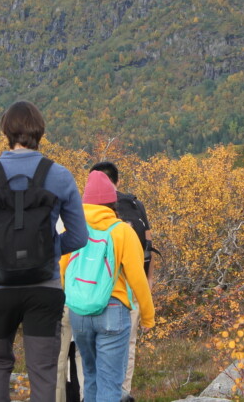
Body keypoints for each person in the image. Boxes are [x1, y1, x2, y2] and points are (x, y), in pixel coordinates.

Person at [0, 101, 88, 402]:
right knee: (43, 370)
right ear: (39, 131)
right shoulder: (59, 175)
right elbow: (80, 236)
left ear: (6, 130)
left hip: (0, 287)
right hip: (44, 288)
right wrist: (51, 251)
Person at [61, 170, 154, 402]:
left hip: (80, 311)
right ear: (113, 202)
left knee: (90, 375)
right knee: (111, 383)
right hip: (113, 310)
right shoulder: (122, 231)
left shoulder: (72, 228)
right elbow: (137, 278)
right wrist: (148, 315)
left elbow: (62, 271)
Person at [90, 161, 153, 402]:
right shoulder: (135, 205)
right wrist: (149, 282)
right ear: (117, 181)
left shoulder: (82, 211)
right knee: (127, 347)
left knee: (90, 352)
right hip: (129, 292)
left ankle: (90, 395)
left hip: (90, 290)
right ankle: (122, 394)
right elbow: (148, 247)